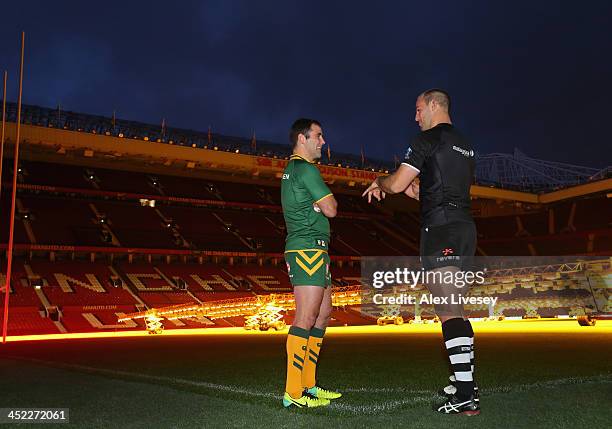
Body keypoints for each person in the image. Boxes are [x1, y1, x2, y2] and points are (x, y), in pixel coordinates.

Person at [362, 89, 479, 415]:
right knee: (457, 309)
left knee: (447, 311)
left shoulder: (425, 140)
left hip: (440, 230)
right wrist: (420, 192)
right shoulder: (466, 145)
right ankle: (466, 385)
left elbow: (398, 184)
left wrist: (379, 182)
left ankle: (466, 395)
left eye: (417, 109)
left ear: (433, 105)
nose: (415, 117)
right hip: (464, 229)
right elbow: (436, 191)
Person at [280, 118, 342, 408]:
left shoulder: (296, 169)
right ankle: (293, 392)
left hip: (316, 249)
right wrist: (320, 205)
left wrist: (318, 206)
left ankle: (309, 385)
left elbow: (324, 208)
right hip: (306, 249)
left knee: (323, 314)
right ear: (302, 139)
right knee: (306, 316)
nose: (322, 142)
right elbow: (332, 208)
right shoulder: (305, 169)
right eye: (318, 135)